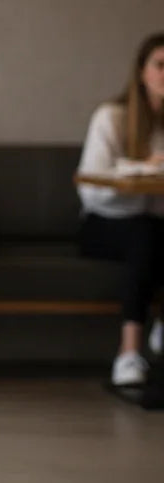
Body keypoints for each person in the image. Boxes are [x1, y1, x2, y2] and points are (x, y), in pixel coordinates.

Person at [77, 33, 164, 387]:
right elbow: (91, 191)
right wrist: (142, 172)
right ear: (142, 71)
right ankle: (128, 352)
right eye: (160, 65)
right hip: (104, 223)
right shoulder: (111, 117)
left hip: (154, 225)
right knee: (145, 233)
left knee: (152, 232)